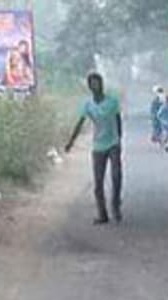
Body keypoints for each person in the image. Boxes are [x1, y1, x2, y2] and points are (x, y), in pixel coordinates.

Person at [64, 72, 123, 224]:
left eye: (98, 83)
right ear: (90, 87)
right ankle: (102, 214)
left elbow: (118, 119)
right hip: (98, 145)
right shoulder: (88, 105)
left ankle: (115, 205)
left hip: (113, 143)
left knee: (116, 175)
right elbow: (80, 123)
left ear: (102, 85)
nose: (96, 86)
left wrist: (119, 138)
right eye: (93, 84)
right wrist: (71, 142)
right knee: (98, 182)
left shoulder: (112, 101)